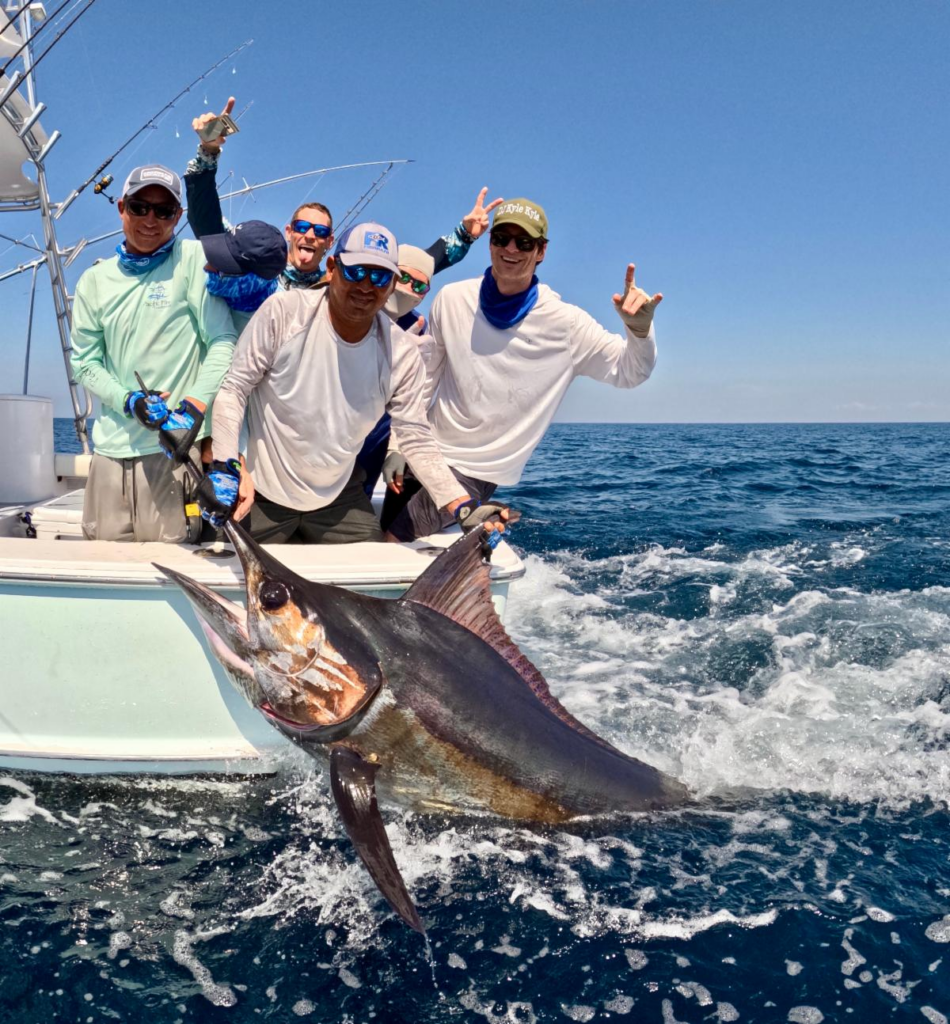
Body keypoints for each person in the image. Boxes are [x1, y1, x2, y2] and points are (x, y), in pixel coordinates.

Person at [386, 198, 663, 542]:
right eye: (501, 238)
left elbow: (631, 371)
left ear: (541, 251)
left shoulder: (567, 324)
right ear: (490, 243)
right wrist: (397, 444)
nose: (511, 249)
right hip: (422, 452)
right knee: (380, 532)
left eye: (524, 242)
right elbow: (423, 382)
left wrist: (639, 331)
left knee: (393, 541)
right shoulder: (452, 298)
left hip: (474, 469)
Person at [201, 222, 475, 543]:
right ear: (332, 268)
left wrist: (461, 505)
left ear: (391, 285)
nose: (366, 286)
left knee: (378, 570)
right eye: (356, 271)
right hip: (261, 490)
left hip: (337, 495)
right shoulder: (284, 312)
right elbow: (235, 389)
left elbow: (415, 436)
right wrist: (226, 465)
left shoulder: (402, 353)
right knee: (215, 558)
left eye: (380, 277)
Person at [69, 165, 238, 542]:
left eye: (163, 211)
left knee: (173, 566)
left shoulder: (193, 259)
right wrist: (128, 401)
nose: (150, 219)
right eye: (139, 207)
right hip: (108, 453)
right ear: (121, 207)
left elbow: (223, 340)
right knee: (105, 565)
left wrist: (192, 409)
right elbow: (84, 363)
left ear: (178, 216)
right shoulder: (93, 280)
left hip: (174, 453)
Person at [186, 97, 501, 293]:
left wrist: (464, 235)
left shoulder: (335, 285)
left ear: (329, 242)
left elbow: (416, 265)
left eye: (320, 232)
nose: (311, 235)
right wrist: (208, 151)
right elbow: (207, 225)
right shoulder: (255, 266)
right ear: (288, 232)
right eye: (303, 227)